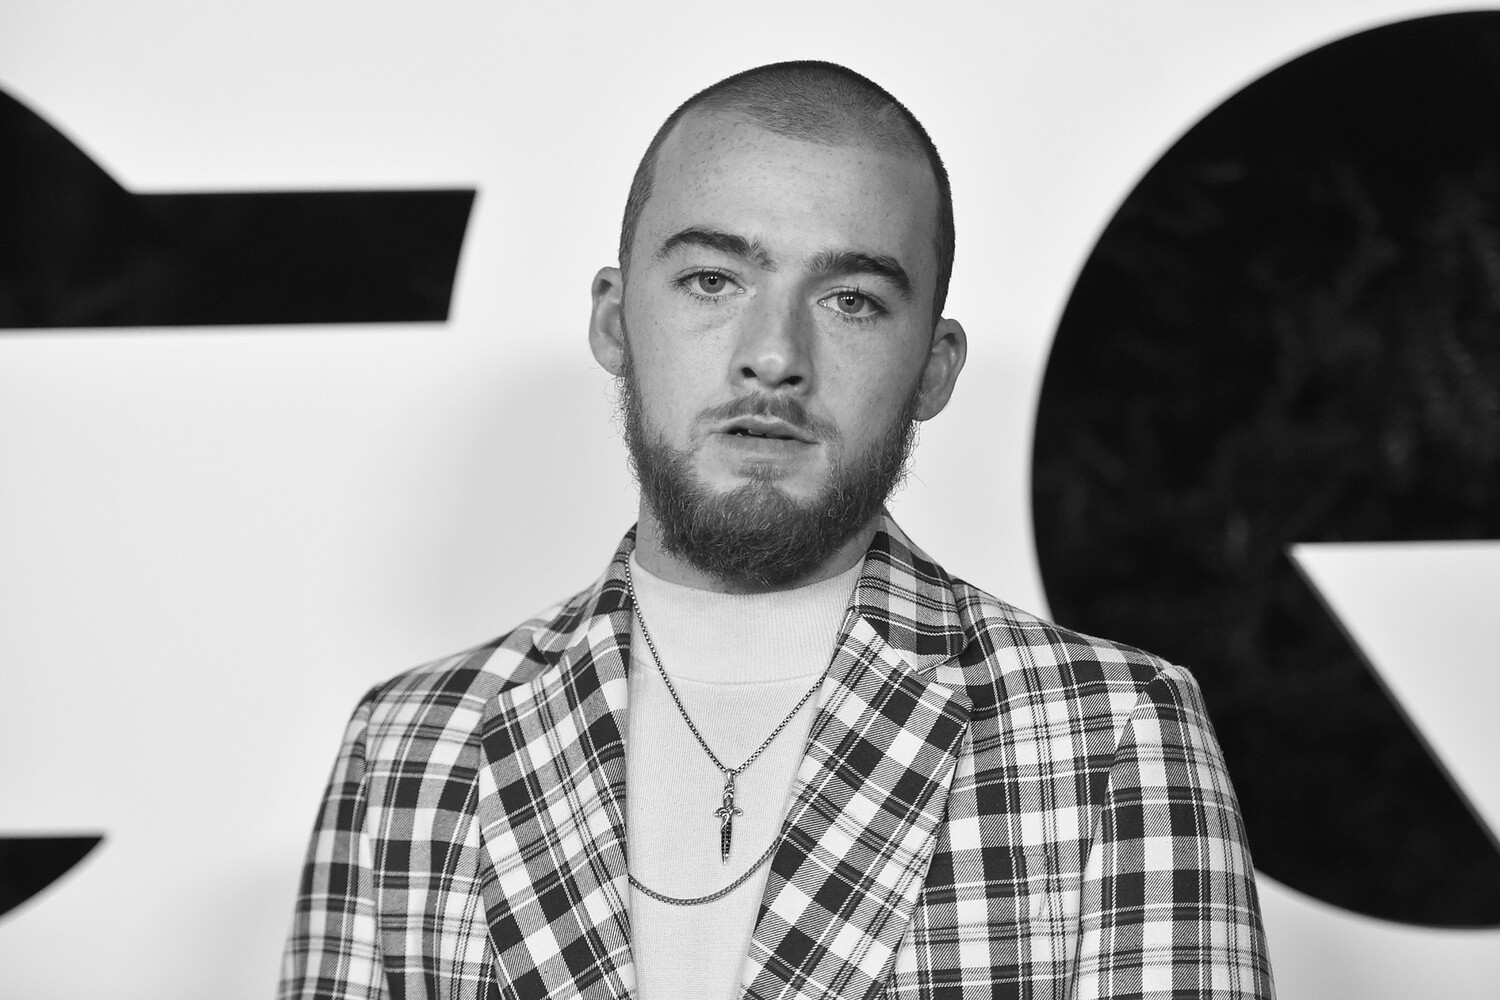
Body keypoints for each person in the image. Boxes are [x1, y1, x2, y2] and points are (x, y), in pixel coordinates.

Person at [279, 60, 1274, 1000]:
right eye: (713, 280)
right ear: (616, 321)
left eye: (852, 301)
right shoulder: (412, 746)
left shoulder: (1106, 733)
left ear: (934, 368)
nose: (774, 355)